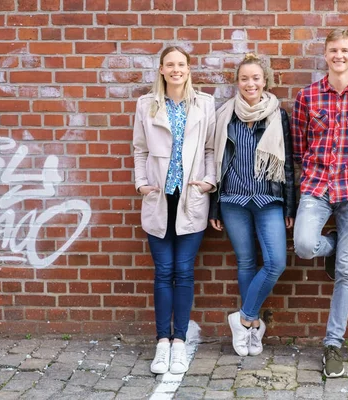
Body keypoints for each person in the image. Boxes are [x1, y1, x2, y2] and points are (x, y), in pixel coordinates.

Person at [291, 29, 348, 378]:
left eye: (345, 50)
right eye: (333, 50)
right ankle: (328, 246)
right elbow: (299, 146)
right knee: (303, 244)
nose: (339, 55)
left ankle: (333, 344)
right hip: (316, 186)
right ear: (325, 54)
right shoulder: (307, 96)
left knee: (347, 270)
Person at [133, 46, 216, 374]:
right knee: (163, 272)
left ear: (188, 68)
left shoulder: (204, 103)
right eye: (170, 64)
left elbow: (211, 148)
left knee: (183, 272)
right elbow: (139, 149)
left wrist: (209, 180)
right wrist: (141, 183)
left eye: (181, 64)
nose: (176, 69)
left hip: (191, 198)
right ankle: (161, 343)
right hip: (158, 198)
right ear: (162, 69)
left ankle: (179, 342)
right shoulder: (146, 105)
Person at [209, 54, 296, 357]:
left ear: (265, 81)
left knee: (275, 263)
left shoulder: (277, 115)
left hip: (269, 198)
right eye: (244, 78)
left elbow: (288, 167)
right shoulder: (225, 115)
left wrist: (289, 207)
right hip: (232, 199)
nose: (250, 83)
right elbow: (215, 163)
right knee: (245, 261)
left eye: (256, 78)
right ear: (237, 81)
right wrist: (214, 208)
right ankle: (250, 329)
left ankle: (244, 316)